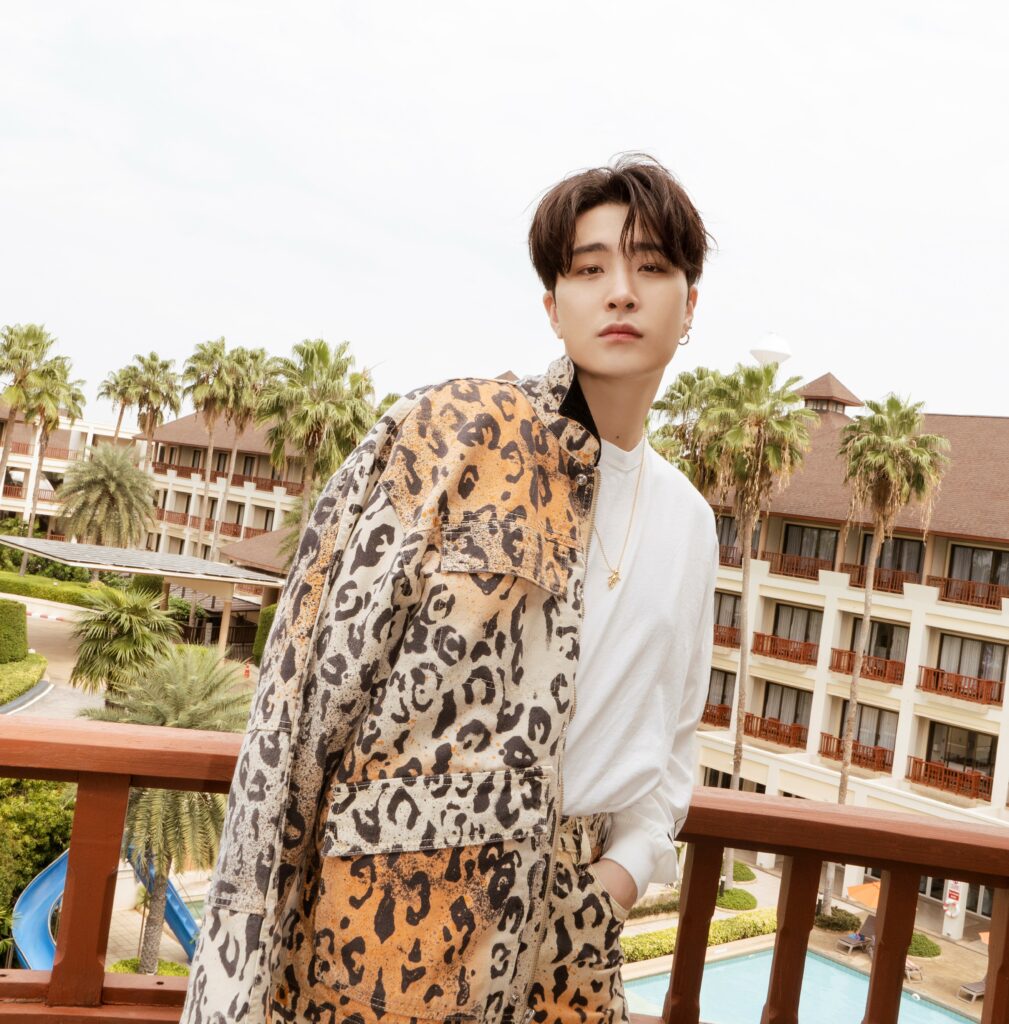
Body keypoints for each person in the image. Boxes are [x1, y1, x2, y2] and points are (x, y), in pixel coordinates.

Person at [181, 153, 719, 1024]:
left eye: (651, 267)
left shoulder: (689, 522)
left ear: (688, 305)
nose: (620, 292)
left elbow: (676, 728)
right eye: (589, 269)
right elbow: (312, 690)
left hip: (571, 930)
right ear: (552, 305)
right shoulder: (458, 437)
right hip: (394, 915)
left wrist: (619, 875)